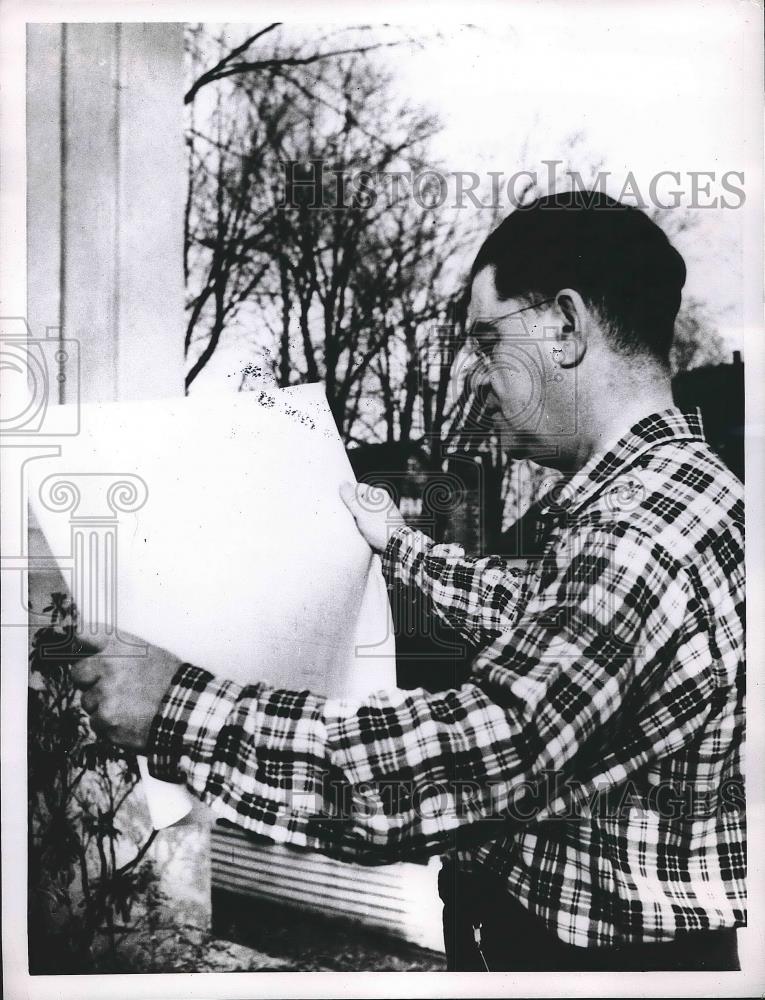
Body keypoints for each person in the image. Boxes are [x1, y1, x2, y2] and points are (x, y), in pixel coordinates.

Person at [69, 191, 745, 971]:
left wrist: (175, 707)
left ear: (565, 327)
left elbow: (471, 757)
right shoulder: (680, 495)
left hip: (590, 973)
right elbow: (537, 617)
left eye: (486, 339)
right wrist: (401, 546)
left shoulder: (635, 535)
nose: (475, 373)